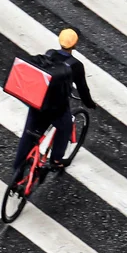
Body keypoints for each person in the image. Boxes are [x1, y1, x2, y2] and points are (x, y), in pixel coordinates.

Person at [12, 28, 96, 173]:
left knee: (29, 134)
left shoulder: (49, 53)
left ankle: (17, 171)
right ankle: (56, 160)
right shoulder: (76, 65)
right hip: (56, 108)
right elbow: (82, 88)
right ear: (74, 45)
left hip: (38, 101)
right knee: (65, 127)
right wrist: (89, 104)